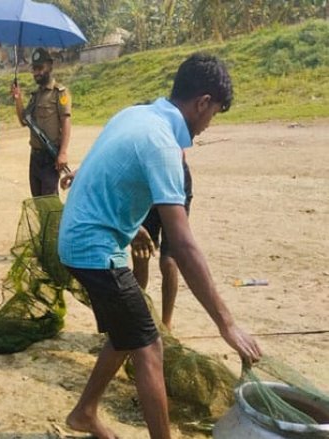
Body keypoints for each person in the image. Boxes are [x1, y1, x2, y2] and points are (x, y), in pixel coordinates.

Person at [56, 53, 262, 439]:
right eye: (214, 112)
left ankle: (84, 412)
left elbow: (105, 172)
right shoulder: (163, 144)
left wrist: (133, 229)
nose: (208, 123)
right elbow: (182, 245)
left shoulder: (136, 115)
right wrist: (227, 325)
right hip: (93, 249)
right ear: (202, 102)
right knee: (149, 345)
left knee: (127, 330)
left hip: (88, 237)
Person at [131, 155, 193, 331]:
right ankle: (136, 317)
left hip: (174, 179)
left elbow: (175, 156)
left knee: (169, 259)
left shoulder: (168, 141)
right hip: (144, 180)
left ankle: (167, 323)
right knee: (140, 254)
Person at [11, 48, 71, 196]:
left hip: (50, 157)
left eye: (40, 68)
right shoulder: (35, 95)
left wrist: (62, 153)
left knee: (49, 201)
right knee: (38, 201)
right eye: (34, 69)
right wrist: (18, 99)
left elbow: (66, 122)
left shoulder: (59, 92)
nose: (36, 72)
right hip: (35, 157)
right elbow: (24, 121)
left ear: (50, 66)